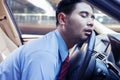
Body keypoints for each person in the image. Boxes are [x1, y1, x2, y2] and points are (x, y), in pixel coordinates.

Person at [0, 0, 94, 80]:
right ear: (62, 19)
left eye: (92, 17)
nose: (91, 22)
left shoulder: (55, 45)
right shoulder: (44, 55)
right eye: (84, 15)